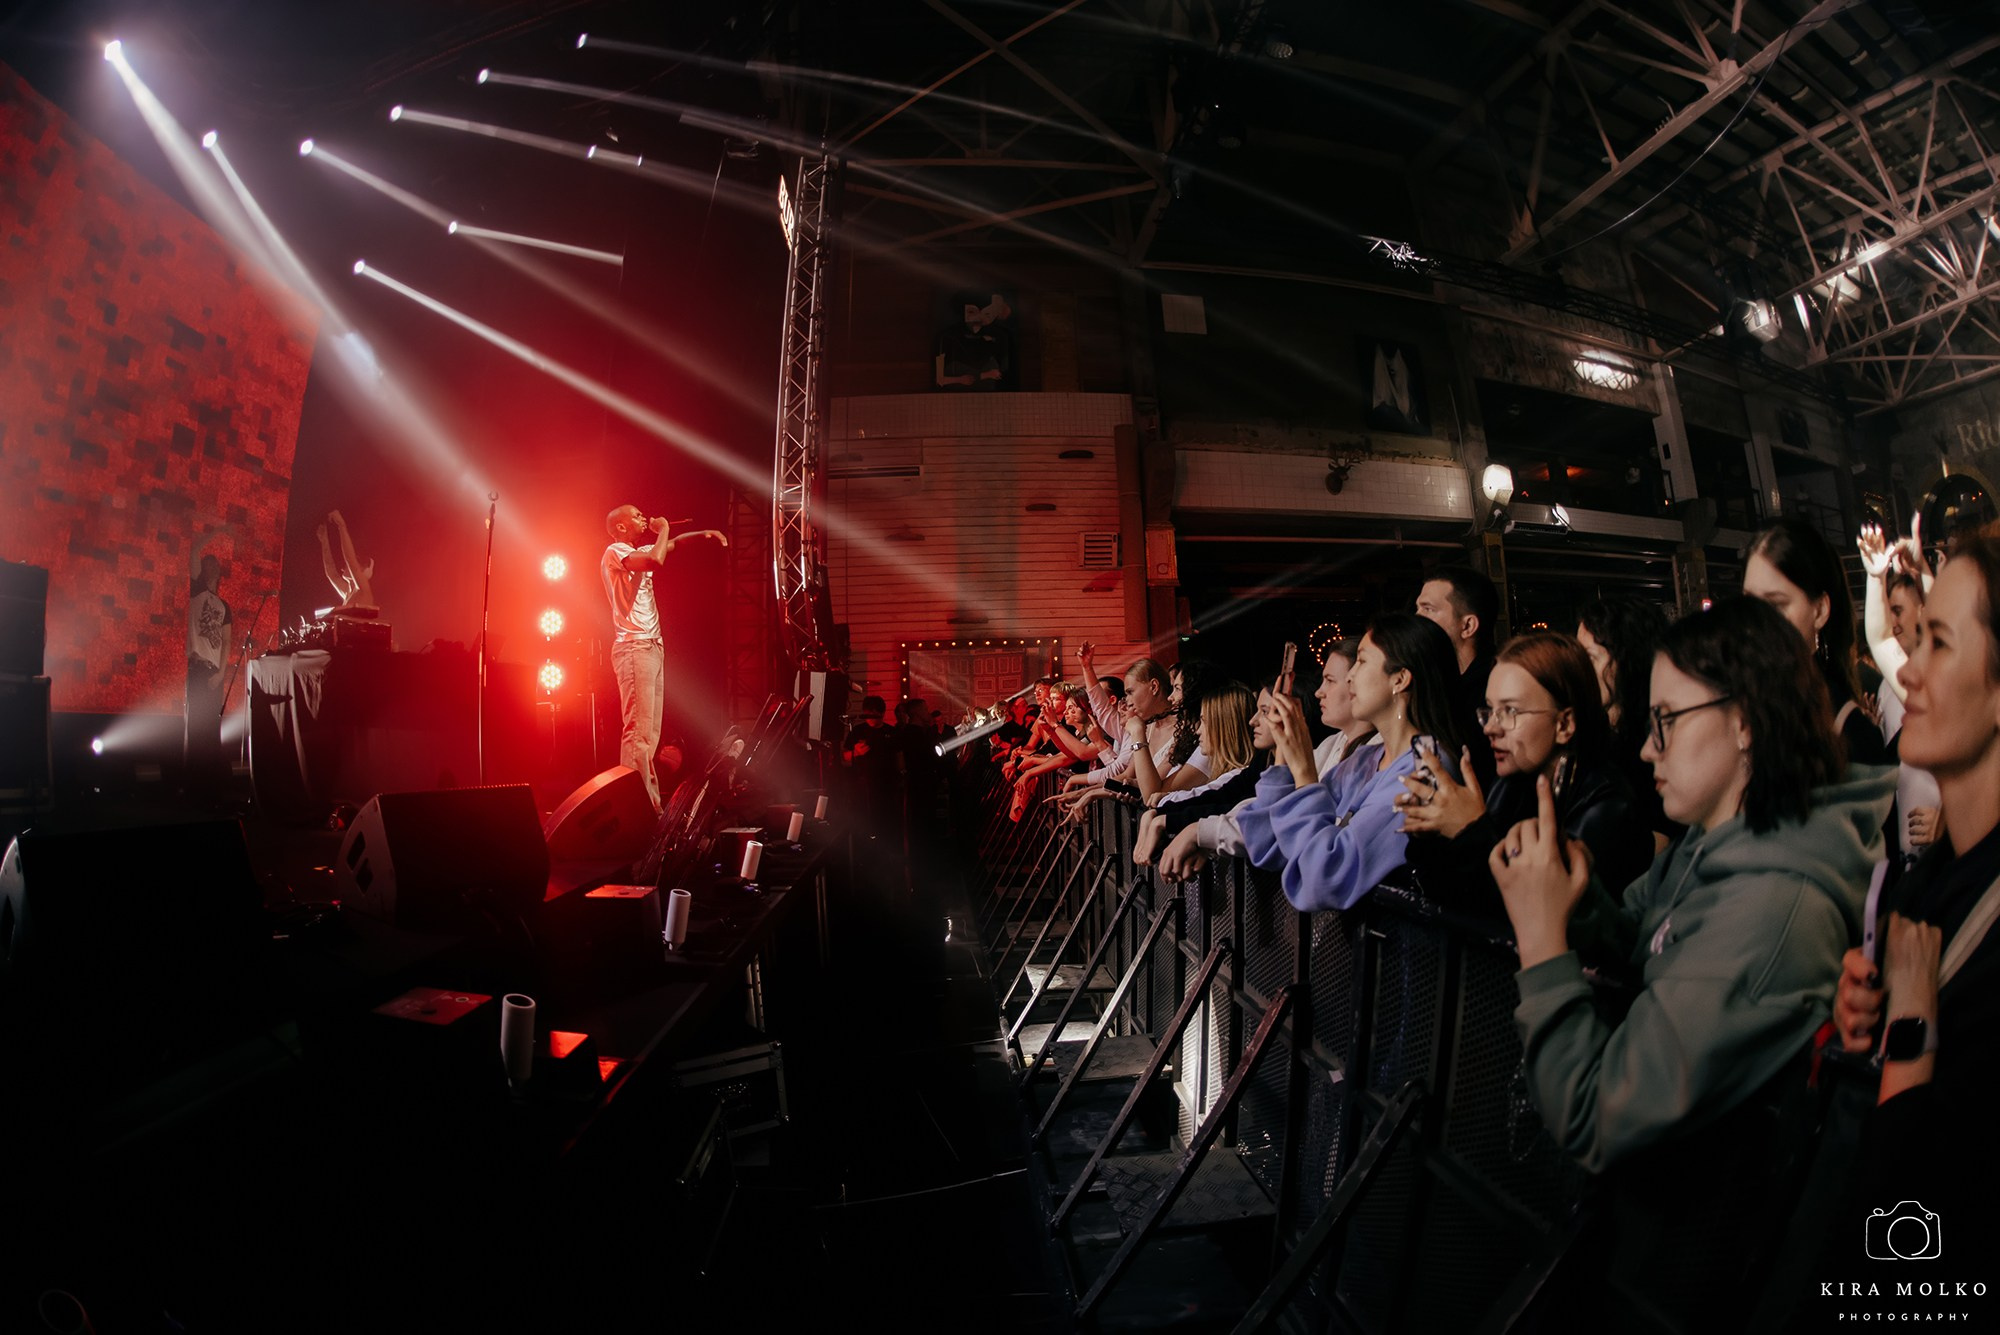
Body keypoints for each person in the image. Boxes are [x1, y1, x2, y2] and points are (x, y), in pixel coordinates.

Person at [1489, 597, 1893, 1327]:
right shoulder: (1710, 846)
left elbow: (1596, 1112)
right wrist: (1576, 899)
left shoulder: (1771, 909)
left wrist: (1543, 940)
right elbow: (1642, 930)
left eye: (1666, 721)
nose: (1647, 749)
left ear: (1743, 722)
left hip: (1681, 1283)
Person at [1830, 531, 2000, 1275]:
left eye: (1936, 642)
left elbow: (1910, 1239)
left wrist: (1908, 1037)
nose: (1907, 672)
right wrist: (1866, 1012)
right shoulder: (1928, 876)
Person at [1398, 631, 1651, 911]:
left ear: (1564, 724)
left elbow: (1545, 916)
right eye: (1490, 710)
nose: (1490, 728)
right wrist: (1431, 833)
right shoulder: (1512, 786)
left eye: (1510, 711)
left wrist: (1470, 829)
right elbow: (1460, 899)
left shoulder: (1608, 803)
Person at [1240, 614, 1467, 912]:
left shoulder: (1424, 772)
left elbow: (1324, 877)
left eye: (1361, 661)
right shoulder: (1365, 759)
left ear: (1400, 678)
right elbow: (1266, 841)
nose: (1350, 677)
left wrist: (1305, 771)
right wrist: (1285, 755)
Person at [1158, 639, 1373, 882]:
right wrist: (1201, 835)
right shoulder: (1332, 745)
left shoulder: (1374, 760)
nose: (1320, 691)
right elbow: (1263, 813)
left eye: (1330, 680)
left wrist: (1199, 832)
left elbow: (1312, 854)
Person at [601, 504, 728, 811]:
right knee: (639, 734)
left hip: (652, 647)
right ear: (620, 526)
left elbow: (673, 545)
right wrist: (664, 528)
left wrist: (705, 534)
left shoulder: (639, 549)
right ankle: (638, 807)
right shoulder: (615, 551)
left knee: (650, 734)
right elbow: (657, 558)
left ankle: (649, 804)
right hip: (634, 647)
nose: (642, 517)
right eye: (635, 515)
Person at [1744, 517, 1888, 768]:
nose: (1758, 621)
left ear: (1820, 610)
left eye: (1776, 605)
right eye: (1749, 604)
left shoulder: (1850, 731)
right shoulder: (1737, 708)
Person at [1857, 524, 1946, 862]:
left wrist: (1947, 826)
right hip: (1918, 873)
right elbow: (1880, 640)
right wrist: (1875, 576)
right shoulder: (1931, 696)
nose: (1908, 674)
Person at [1577, 597, 1677, 849]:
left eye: (1590, 658)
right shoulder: (1586, 733)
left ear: (1628, 658)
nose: (1578, 670)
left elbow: (1661, 838)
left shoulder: (1655, 738)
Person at [1132, 681, 1258, 865]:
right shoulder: (1227, 773)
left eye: (1205, 722)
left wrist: (1157, 814)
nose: (1198, 730)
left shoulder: (1237, 776)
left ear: (1224, 727)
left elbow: (1208, 797)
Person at [1416, 565, 1499, 789]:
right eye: (1417, 609)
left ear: (1468, 625)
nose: (1417, 619)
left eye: (1428, 609)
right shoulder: (1438, 687)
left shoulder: (1495, 691)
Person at [185, 546, 231, 801]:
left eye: (215, 564)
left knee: (211, 731)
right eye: (207, 563)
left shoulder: (225, 606)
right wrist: (218, 532)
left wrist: (222, 673)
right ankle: (194, 789)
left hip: (214, 673)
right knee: (196, 729)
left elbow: (227, 643)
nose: (211, 566)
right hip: (197, 669)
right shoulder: (196, 592)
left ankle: (211, 790)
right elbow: (194, 547)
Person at [316, 510, 375, 613]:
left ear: (362, 568)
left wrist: (341, 525)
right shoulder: (348, 592)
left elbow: (350, 559)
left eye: (347, 566)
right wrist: (324, 540)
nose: (343, 568)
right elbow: (331, 573)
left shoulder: (363, 590)